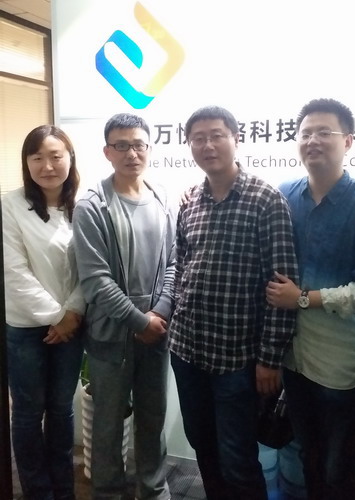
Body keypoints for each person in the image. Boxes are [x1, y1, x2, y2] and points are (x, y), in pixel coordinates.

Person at [169, 105, 298, 500]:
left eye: (216, 135)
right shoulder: (190, 200)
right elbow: (181, 264)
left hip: (237, 360)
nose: (208, 145)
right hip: (187, 351)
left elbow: (282, 282)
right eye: (198, 138)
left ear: (236, 139)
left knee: (238, 459)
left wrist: (270, 358)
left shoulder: (266, 199)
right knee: (203, 446)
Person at [266, 98, 355, 500]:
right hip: (294, 358)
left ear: (348, 141)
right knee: (308, 459)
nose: (313, 140)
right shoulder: (284, 195)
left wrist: (302, 298)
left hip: (337, 364)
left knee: (339, 469)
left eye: (324, 132)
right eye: (305, 133)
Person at [72, 113, 176, 500]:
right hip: (111, 337)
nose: (131, 153)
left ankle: (154, 489)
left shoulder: (162, 198)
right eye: (121, 145)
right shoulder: (92, 206)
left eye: (138, 145)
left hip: (156, 332)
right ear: (107, 152)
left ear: (149, 148)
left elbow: (173, 264)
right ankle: (107, 492)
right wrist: (139, 321)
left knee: (153, 418)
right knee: (108, 424)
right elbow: (96, 280)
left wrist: (159, 313)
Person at [3, 125, 85, 500]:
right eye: (37, 157)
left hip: (71, 324)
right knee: (27, 413)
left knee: (61, 410)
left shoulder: (83, 206)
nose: (47, 166)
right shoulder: (10, 205)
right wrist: (59, 316)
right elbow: (14, 272)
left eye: (55, 156)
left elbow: (91, 269)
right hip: (26, 328)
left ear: (70, 159)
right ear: (26, 163)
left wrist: (72, 313)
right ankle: (38, 491)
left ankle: (63, 489)